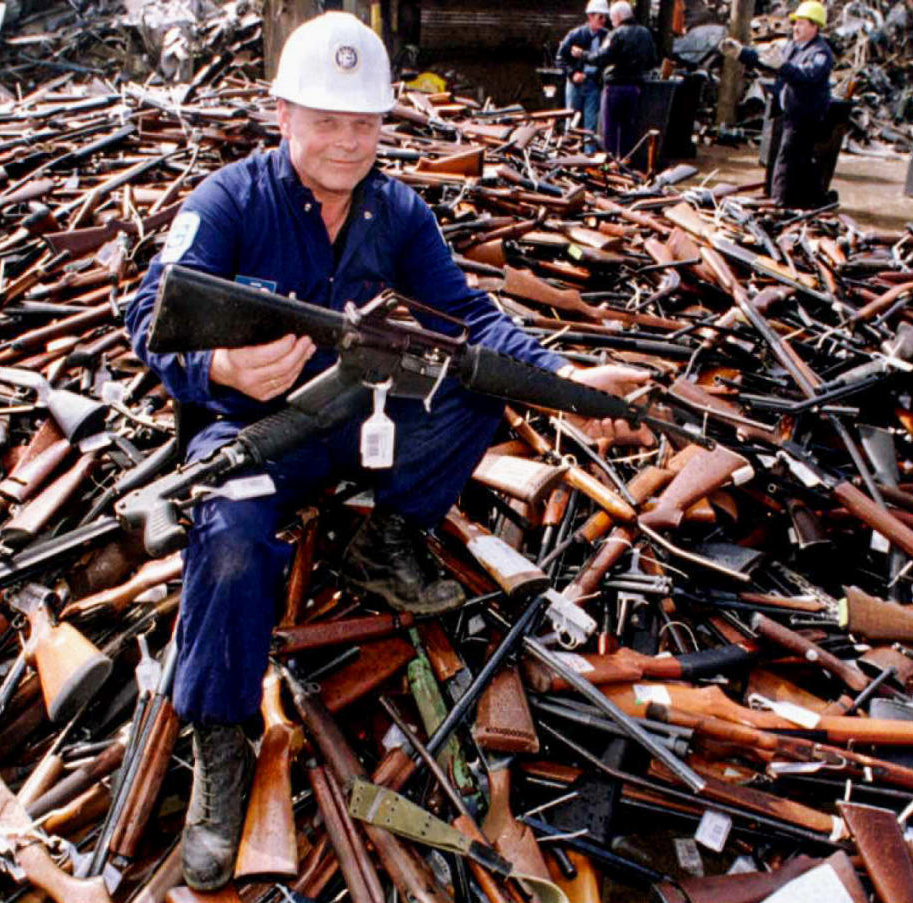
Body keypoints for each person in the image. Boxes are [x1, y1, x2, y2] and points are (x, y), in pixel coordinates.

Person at [126, 12, 649, 892]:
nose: (345, 142)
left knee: (481, 385)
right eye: (326, 121)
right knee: (231, 545)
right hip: (251, 433)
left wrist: (566, 377)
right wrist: (219, 364)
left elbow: (470, 318)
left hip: (353, 416)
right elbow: (148, 319)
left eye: (363, 123)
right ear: (282, 114)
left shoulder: (396, 208)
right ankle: (221, 745)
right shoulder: (226, 203)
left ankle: (390, 534)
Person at [723, 1, 834, 208]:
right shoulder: (793, 46)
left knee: (787, 157)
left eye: (801, 23)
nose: (795, 27)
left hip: (805, 115)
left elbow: (806, 76)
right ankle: (817, 199)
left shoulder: (821, 53)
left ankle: (779, 202)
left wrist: (782, 66)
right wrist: (741, 53)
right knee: (798, 158)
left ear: (814, 27)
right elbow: (768, 60)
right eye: (795, 23)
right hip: (788, 110)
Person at [570, 0, 657, 161]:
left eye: (611, 18)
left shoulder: (616, 34)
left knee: (609, 128)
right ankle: (626, 161)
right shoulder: (645, 33)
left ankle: (608, 163)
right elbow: (652, 61)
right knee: (628, 128)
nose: (610, 21)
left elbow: (601, 58)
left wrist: (582, 54)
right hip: (634, 88)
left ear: (617, 16)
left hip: (615, 87)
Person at [555, 0, 611, 149]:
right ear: (590, 16)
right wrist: (573, 73)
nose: (604, 21)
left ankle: (589, 155)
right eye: (601, 17)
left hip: (593, 83)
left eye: (605, 17)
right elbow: (560, 58)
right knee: (571, 119)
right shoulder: (575, 35)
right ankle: (568, 152)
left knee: (590, 123)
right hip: (575, 84)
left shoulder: (607, 36)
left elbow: (607, 59)